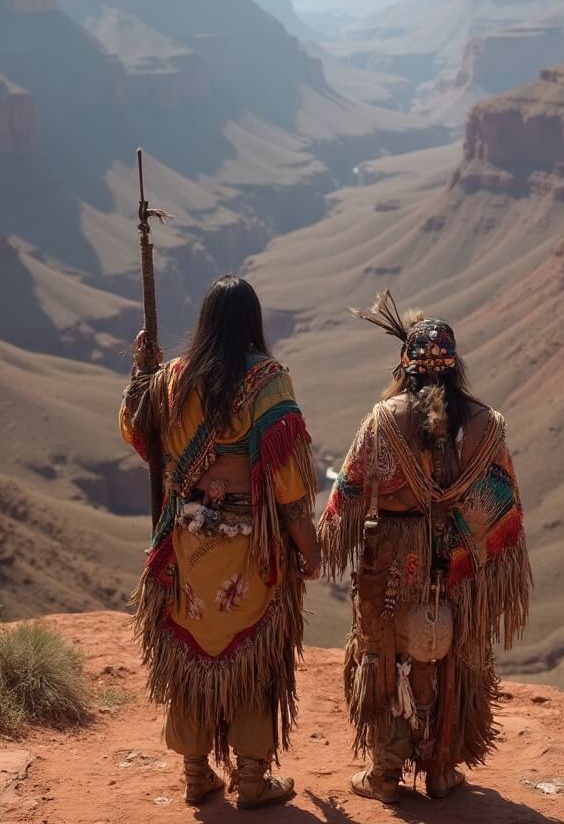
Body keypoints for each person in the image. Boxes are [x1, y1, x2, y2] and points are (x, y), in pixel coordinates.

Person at [317, 291, 532, 803]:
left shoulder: (383, 421)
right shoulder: (486, 426)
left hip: (392, 558)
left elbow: (346, 496)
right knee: (455, 649)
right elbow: (504, 506)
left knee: (385, 651)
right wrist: (461, 544)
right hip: (458, 559)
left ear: (405, 368)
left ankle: (386, 774)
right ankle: (440, 769)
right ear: (455, 369)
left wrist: (319, 542)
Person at [120, 275, 321, 810]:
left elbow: (141, 436)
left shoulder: (173, 381)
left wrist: (144, 375)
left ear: (205, 322)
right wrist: (309, 546)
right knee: (256, 650)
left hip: (187, 544)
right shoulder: (269, 382)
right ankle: (252, 777)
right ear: (253, 321)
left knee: (191, 646)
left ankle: (195, 771)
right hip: (252, 549)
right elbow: (288, 479)